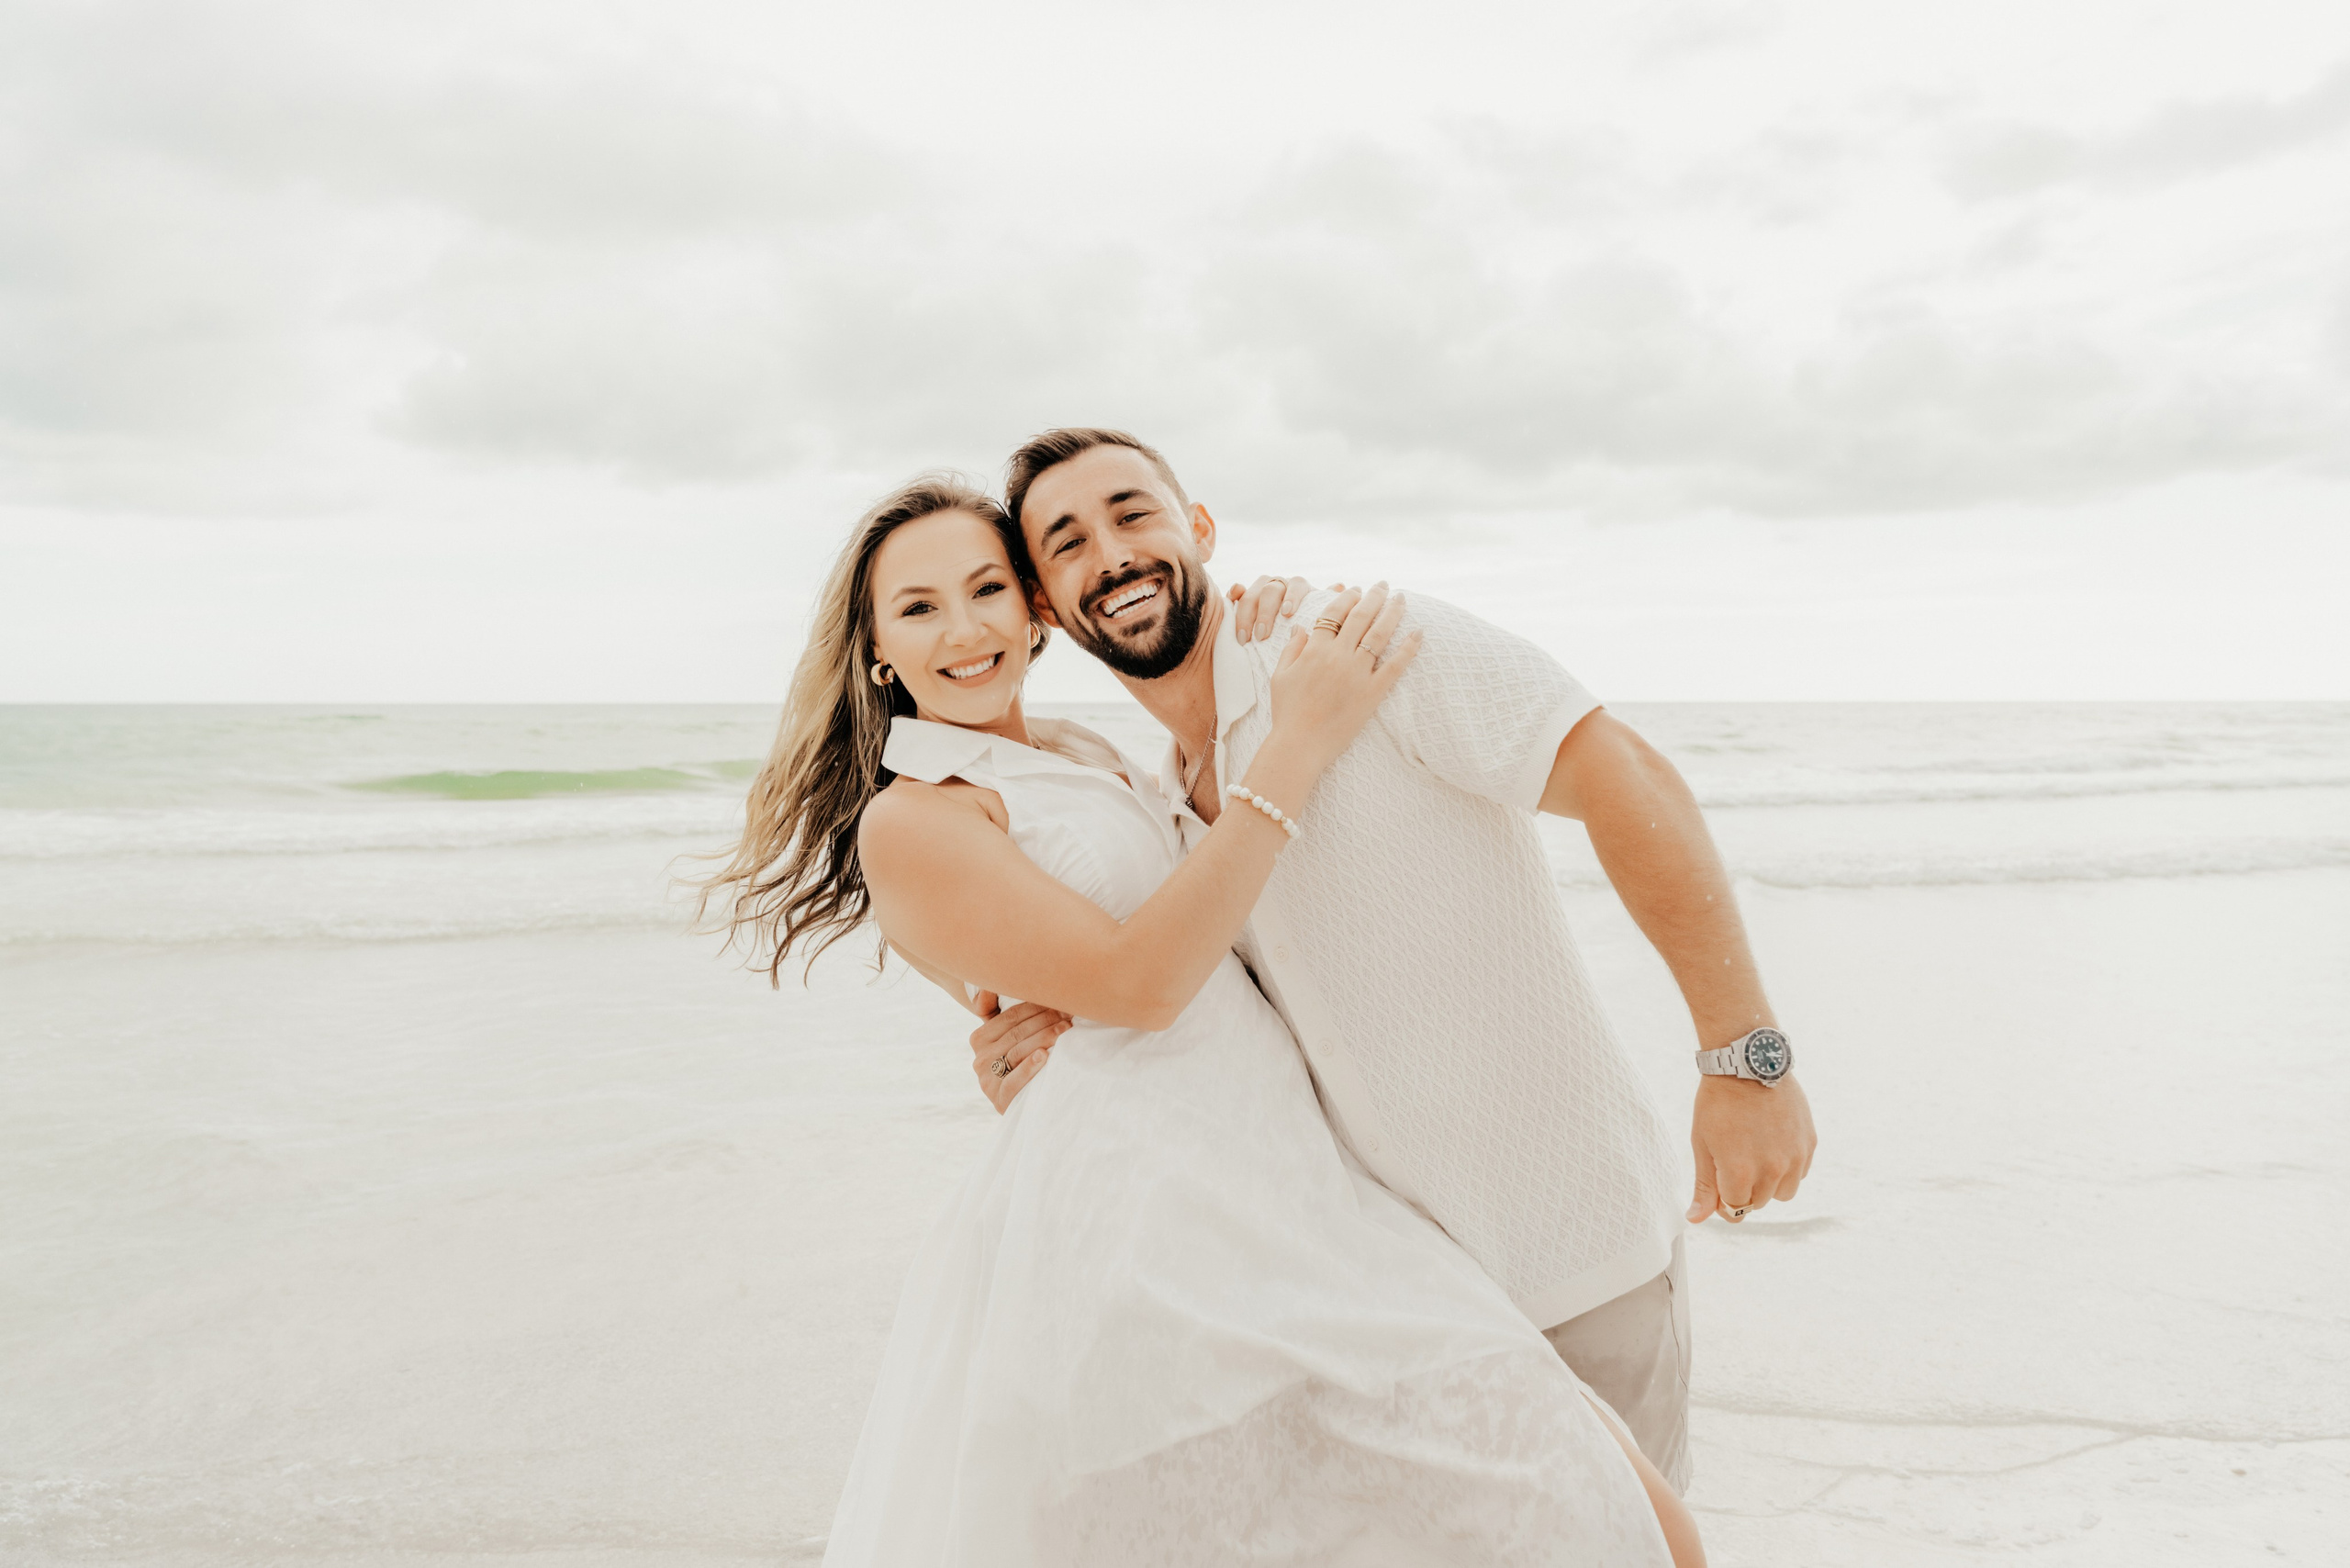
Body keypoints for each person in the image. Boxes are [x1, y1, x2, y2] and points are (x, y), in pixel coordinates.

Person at [705, 474, 1704, 1564]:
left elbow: (1213, 932)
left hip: (1303, 1191)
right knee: (1587, 1510)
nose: (964, 628)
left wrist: (1247, 636)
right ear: (876, 647)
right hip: (1167, 1224)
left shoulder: (1081, 759)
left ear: (1036, 608)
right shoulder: (911, 818)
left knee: (1606, 1510)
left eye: (987, 587)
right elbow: (1136, 983)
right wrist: (1300, 737)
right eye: (918, 607)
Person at [970, 429, 1818, 1495]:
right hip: (1387, 1316)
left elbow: (1624, 776)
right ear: (1046, 604)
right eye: (1068, 541)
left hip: (1567, 1251)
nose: (1113, 553)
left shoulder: (1363, 645)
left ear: (1198, 529)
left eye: (1133, 514)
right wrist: (1056, 1063)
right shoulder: (1165, 804)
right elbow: (1209, 1029)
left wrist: (1743, 1055)